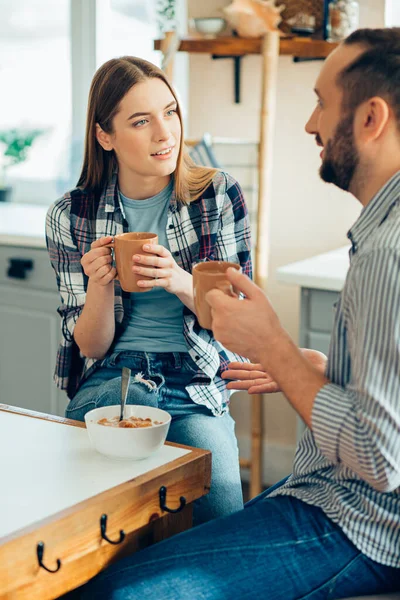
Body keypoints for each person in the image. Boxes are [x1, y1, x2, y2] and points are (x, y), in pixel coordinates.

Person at [76, 28, 400, 600]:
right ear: (104, 135)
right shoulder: (377, 233)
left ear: (371, 118)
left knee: (109, 590)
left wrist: (272, 345)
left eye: (322, 103)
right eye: (139, 120)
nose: (309, 125)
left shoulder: (385, 252)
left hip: (359, 520)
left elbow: (380, 460)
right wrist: (317, 366)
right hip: (321, 489)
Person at [46, 56, 252, 526]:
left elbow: (236, 324)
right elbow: (91, 346)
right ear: (105, 136)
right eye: (141, 121)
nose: (165, 133)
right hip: (111, 377)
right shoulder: (70, 214)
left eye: (170, 112)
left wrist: (178, 279)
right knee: (89, 519)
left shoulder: (217, 195)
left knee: (220, 512)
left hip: (194, 384)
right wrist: (101, 284)